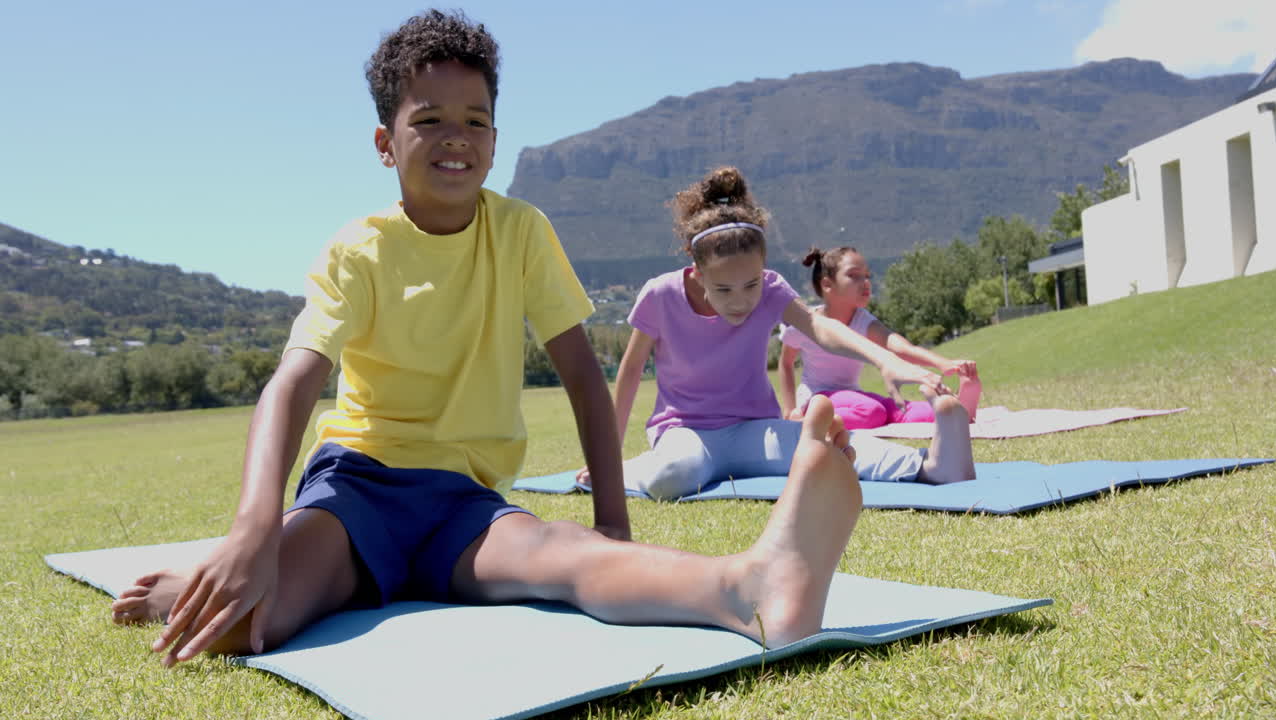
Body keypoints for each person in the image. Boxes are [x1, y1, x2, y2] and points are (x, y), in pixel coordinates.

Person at [109, 9, 868, 666]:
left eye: (474, 121)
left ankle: (752, 588)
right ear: (385, 141)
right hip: (357, 491)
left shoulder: (522, 233)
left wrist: (613, 521)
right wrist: (252, 528)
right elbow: (296, 383)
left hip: (465, 505)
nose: (454, 138)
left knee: (566, 556)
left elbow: (579, 376)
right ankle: (199, 578)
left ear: (496, 139)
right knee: (244, 622)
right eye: (428, 119)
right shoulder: (357, 248)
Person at [579, 167, 976, 501]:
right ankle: (629, 471)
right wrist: (605, 458)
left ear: (764, 268)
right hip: (685, 432)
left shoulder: (770, 288)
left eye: (751, 285)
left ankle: (931, 466)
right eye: (724, 290)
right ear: (698, 272)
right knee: (672, 478)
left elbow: (819, 326)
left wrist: (888, 360)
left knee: (822, 450)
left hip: (756, 428)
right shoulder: (660, 295)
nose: (741, 302)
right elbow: (629, 373)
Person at [778, 246, 982, 430]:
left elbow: (902, 348)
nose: (865, 282)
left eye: (867, 276)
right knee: (872, 412)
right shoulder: (807, 323)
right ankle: (807, 422)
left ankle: (960, 412)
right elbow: (786, 363)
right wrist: (790, 410)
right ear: (827, 284)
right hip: (816, 398)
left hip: (853, 395)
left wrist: (943, 363)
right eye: (854, 276)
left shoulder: (863, 321)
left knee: (900, 410)